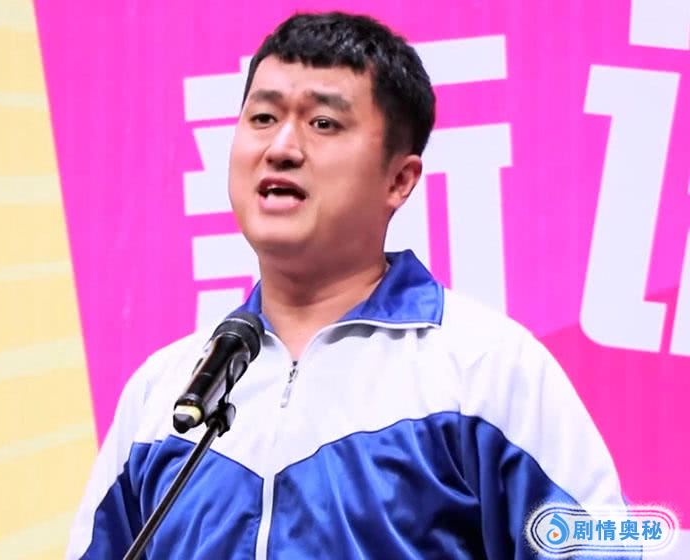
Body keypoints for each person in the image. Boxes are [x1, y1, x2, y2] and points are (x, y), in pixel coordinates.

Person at [67, 12, 629, 559]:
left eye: (323, 124)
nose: (281, 147)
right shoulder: (166, 391)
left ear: (399, 179)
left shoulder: (483, 370)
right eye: (262, 117)